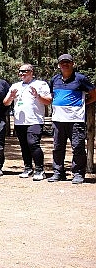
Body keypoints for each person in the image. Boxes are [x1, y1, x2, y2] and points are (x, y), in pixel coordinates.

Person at [48, 54, 96, 184]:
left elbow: (93, 94)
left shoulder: (80, 79)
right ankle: (58, 173)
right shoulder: (54, 80)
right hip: (58, 120)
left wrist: (84, 104)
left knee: (78, 147)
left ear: (72, 64)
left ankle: (78, 174)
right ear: (59, 65)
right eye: (62, 62)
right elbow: (52, 96)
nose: (65, 64)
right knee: (57, 147)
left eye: (67, 62)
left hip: (76, 120)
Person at [3, 64, 52, 180]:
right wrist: (11, 96)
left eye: (24, 71)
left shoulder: (40, 84)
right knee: (24, 146)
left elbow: (48, 101)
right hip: (19, 122)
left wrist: (37, 96)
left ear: (31, 72)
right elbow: (6, 103)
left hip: (35, 120)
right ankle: (28, 168)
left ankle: (40, 170)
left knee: (33, 143)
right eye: (20, 71)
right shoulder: (15, 86)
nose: (21, 73)